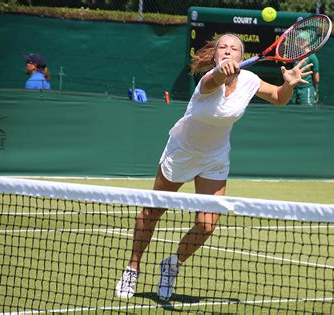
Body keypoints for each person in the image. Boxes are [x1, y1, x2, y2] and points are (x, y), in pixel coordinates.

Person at [115, 33, 313, 301]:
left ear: (242, 57)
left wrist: (288, 84)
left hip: (215, 157)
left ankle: (172, 264)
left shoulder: (250, 80)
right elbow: (214, 79)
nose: (228, 51)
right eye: (223, 48)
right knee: (152, 213)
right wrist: (221, 72)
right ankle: (132, 267)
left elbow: (279, 97)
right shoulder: (207, 80)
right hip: (182, 152)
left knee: (207, 225)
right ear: (215, 55)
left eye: (234, 48)